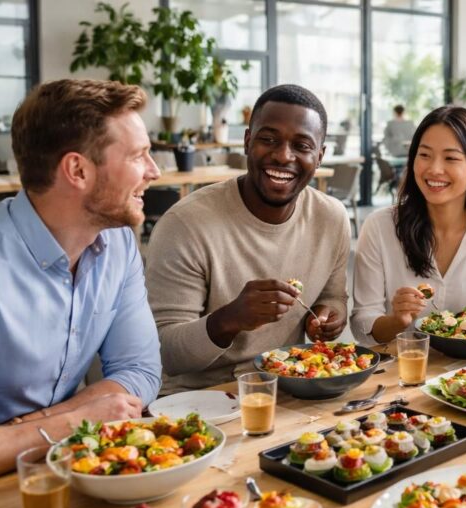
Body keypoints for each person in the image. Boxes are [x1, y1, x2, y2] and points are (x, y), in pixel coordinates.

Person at [0, 79, 163, 487]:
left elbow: (140, 369)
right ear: (77, 170)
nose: (154, 172)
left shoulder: (117, 243)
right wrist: (72, 424)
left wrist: (52, 422)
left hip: (69, 475)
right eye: (139, 156)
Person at [145, 84, 350, 394]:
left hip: (286, 387)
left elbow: (333, 298)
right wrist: (228, 319)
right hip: (197, 400)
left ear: (319, 156)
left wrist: (329, 317)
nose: (283, 156)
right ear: (247, 141)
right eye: (268, 139)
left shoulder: (331, 218)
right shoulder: (186, 224)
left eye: (302, 145)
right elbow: (165, 354)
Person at [351, 106, 466, 345]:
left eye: (451, 158)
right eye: (425, 155)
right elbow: (361, 323)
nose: (434, 169)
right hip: (400, 369)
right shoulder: (380, 226)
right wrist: (397, 320)